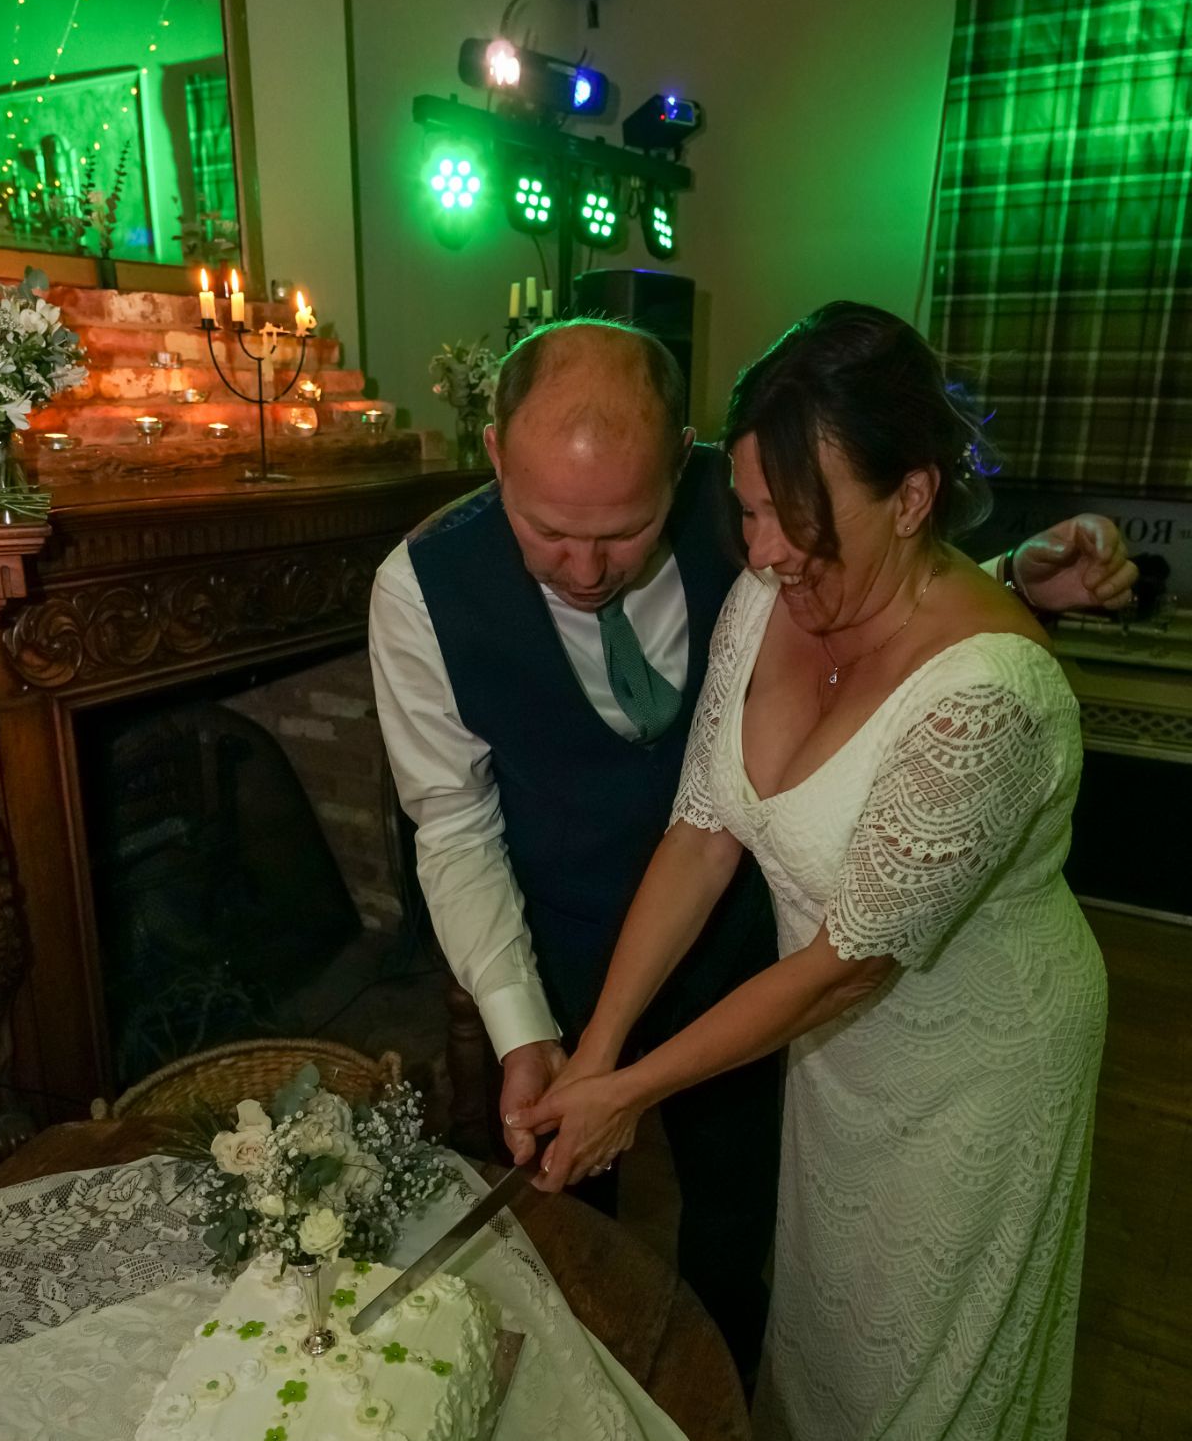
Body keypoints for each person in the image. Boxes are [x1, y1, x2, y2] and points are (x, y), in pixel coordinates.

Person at [509, 304, 1109, 1441]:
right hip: (833, 1052)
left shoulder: (993, 694)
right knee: (826, 1335)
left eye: (799, 520)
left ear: (908, 499)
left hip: (977, 1064)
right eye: (747, 513)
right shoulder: (764, 601)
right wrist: (591, 1053)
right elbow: (701, 830)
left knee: (924, 1363)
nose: (765, 553)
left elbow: (849, 955)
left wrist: (632, 1098)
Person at [369, 319, 1131, 1387]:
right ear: (494, 456)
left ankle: (722, 1416)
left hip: (772, 960)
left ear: (682, 460)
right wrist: (544, 1035)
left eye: (626, 533)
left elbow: (893, 613)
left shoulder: (761, 510)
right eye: (549, 534)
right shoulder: (419, 591)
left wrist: (1008, 580)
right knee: (569, 1243)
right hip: (574, 950)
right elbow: (458, 825)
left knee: (745, 1230)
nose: (585, 571)